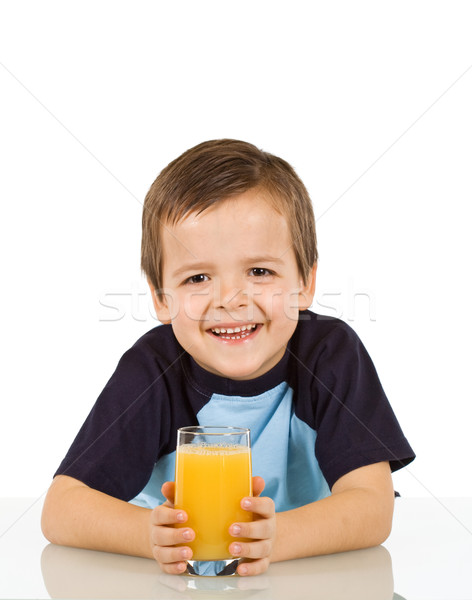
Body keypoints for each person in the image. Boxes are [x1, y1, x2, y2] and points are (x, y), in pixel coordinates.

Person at [41, 139, 415, 577]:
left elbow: (373, 507)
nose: (230, 299)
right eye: (198, 277)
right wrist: (150, 535)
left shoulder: (330, 354)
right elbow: (60, 509)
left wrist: (277, 538)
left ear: (305, 283)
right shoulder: (153, 368)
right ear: (162, 298)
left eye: (260, 272)